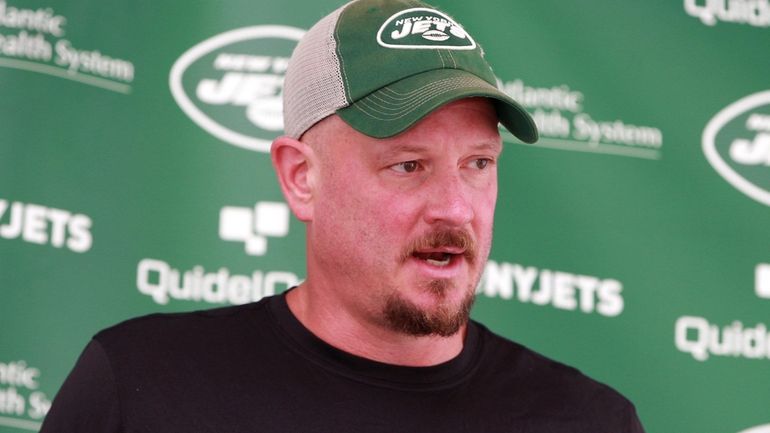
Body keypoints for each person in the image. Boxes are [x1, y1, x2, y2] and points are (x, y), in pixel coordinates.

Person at [41, 0, 646, 432]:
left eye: (478, 163)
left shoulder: (590, 419)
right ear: (301, 177)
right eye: (408, 165)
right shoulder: (141, 386)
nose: (456, 207)